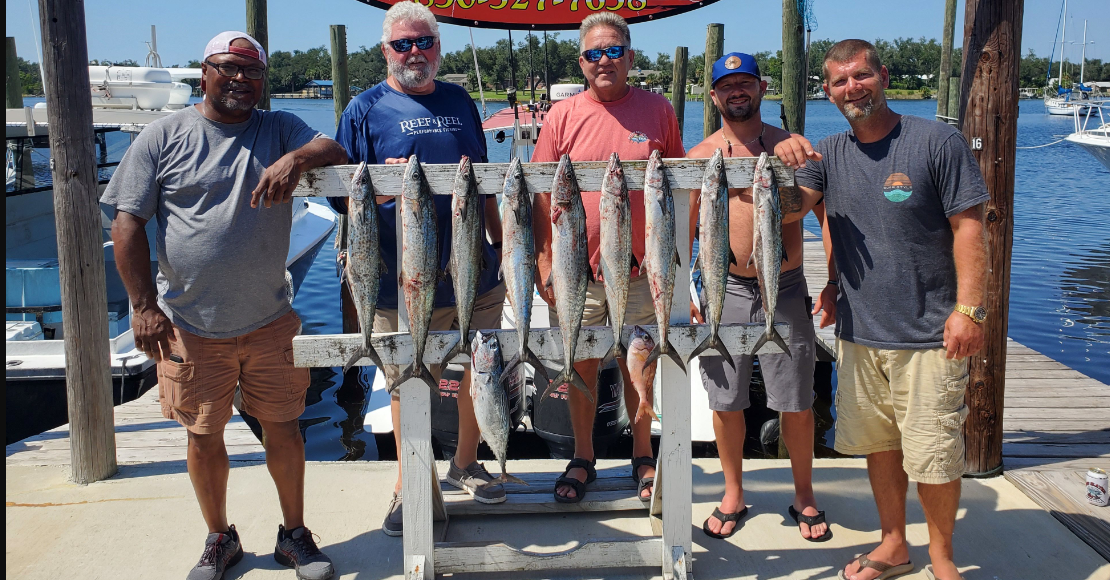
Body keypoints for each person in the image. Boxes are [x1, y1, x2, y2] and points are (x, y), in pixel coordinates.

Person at [104, 32, 346, 580]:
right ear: (205, 71)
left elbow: (335, 151)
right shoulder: (163, 136)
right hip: (190, 324)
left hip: (270, 319)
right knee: (203, 434)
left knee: (285, 427)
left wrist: (296, 159)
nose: (241, 80)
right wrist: (143, 306)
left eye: (252, 72)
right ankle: (219, 537)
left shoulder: (279, 126)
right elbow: (127, 221)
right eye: (229, 69)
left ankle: (295, 534)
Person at [775, 39, 988, 580]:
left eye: (861, 76)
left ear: (883, 75)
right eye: (840, 82)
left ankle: (943, 560)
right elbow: (794, 211)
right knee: (879, 445)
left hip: (929, 332)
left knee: (935, 455)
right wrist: (781, 161)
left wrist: (970, 309)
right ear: (826, 91)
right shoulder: (827, 155)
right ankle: (894, 544)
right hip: (857, 330)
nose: (853, 88)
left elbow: (970, 227)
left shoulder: (935, 141)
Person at [328, 1, 506, 536]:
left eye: (423, 42)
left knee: (481, 368)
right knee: (408, 380)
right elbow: (341, 197)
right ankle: (410, 483)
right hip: (395, 279)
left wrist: (501, 242)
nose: (413, 53)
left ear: (438, 48)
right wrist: (380, 186)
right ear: (385, 51)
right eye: (402, 44)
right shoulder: (363, 109)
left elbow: (484, 179)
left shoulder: (460, 100)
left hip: (475, 270)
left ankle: (466, 461)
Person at [530, 12, 685, 503]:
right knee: (583, 362)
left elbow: (679, 187)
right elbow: (537, 194)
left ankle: (643, 454)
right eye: (594, 54)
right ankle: (583, 456)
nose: (604, 61)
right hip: (577, 272)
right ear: (581, 62)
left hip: (643, 272)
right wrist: (542, 262)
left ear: (630, 57)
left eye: (613, 51)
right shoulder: (562, 116)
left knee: (642, 363)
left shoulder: (659, 110)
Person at [686, 52, 832, 542]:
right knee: (725, 399)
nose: (737, 92)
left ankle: (804, 493)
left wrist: (832, 280)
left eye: (745, 83)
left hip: (785, 286)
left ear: (762, 87)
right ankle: (732, 492)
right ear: (714, 96)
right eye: (727, 86)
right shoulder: (700, 155)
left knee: (796, 400)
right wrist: (694, 288)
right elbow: (689, 230)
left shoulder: (792, 148)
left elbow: (824, 215)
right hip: (724, 287)